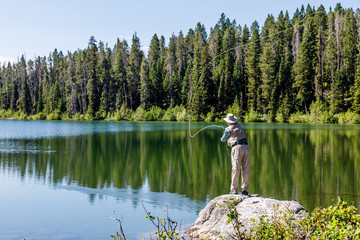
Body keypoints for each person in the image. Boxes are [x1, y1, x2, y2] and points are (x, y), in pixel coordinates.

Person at [221, 113, 250, 195]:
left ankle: (234, 189)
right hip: (247, 148)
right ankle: (245, 190)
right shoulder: (240, 126)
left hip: (237, 148)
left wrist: (223, 137)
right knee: (246, 169)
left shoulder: (228, 129)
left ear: (228, 122)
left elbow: (223, 139)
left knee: (235, 169)